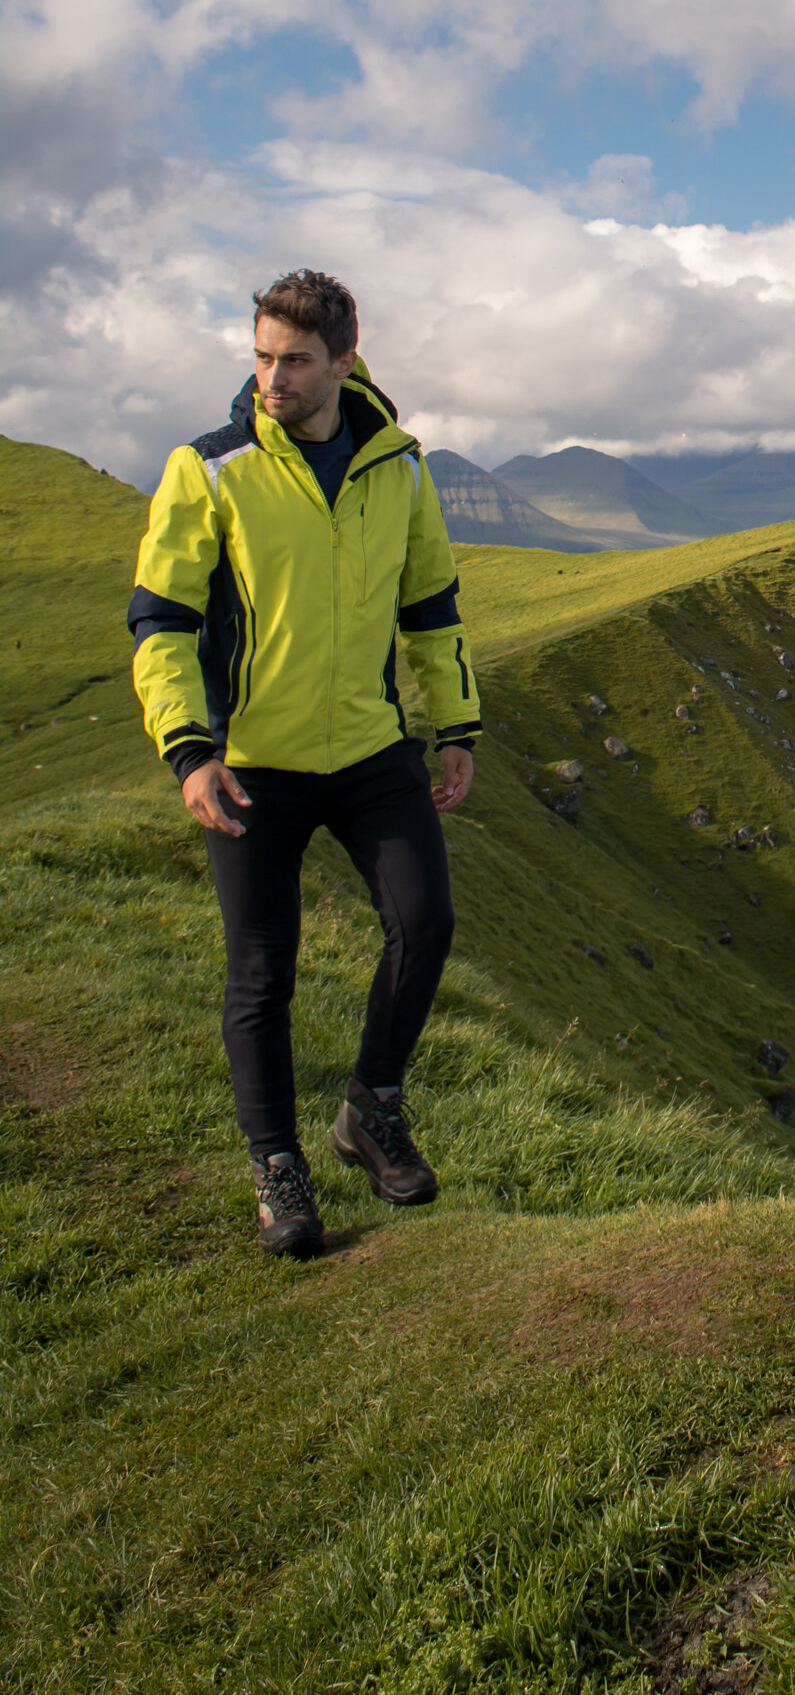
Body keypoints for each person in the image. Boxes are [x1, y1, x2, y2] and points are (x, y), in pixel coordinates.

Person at [129, 270, 482, 1259]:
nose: (270, 379)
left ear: (343, 362)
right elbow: (162, 621)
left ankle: (371, 1103)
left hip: (370, 748)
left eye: (293, 360)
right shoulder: (209, 469)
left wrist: (455, 729)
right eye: (260, 357)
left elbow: (429, 609)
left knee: (425, 919)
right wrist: (189, 750)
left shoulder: (398, 468)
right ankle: (277, 1168)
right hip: (251, 760)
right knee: (261, 971)